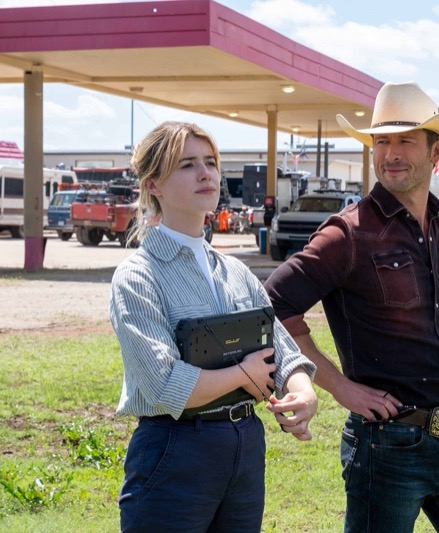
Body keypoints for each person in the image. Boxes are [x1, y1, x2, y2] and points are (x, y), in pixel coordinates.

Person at [264, 81, 439, 533]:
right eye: (382, 141)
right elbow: (272, 306)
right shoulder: (348, 234)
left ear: (436, 154)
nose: (391, 153)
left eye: (405, 141)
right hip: (386, 446)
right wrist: (340, 387)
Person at [110, 121, 317, 533]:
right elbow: (165, 384)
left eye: (210, 162)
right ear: (153, 184)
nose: (206, 173)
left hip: (244, 447)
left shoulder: (237, 272)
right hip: (173, 450)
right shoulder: (138, 277)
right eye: (187, 165)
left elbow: (285, 355)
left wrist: (303, 392)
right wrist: (243, 374)